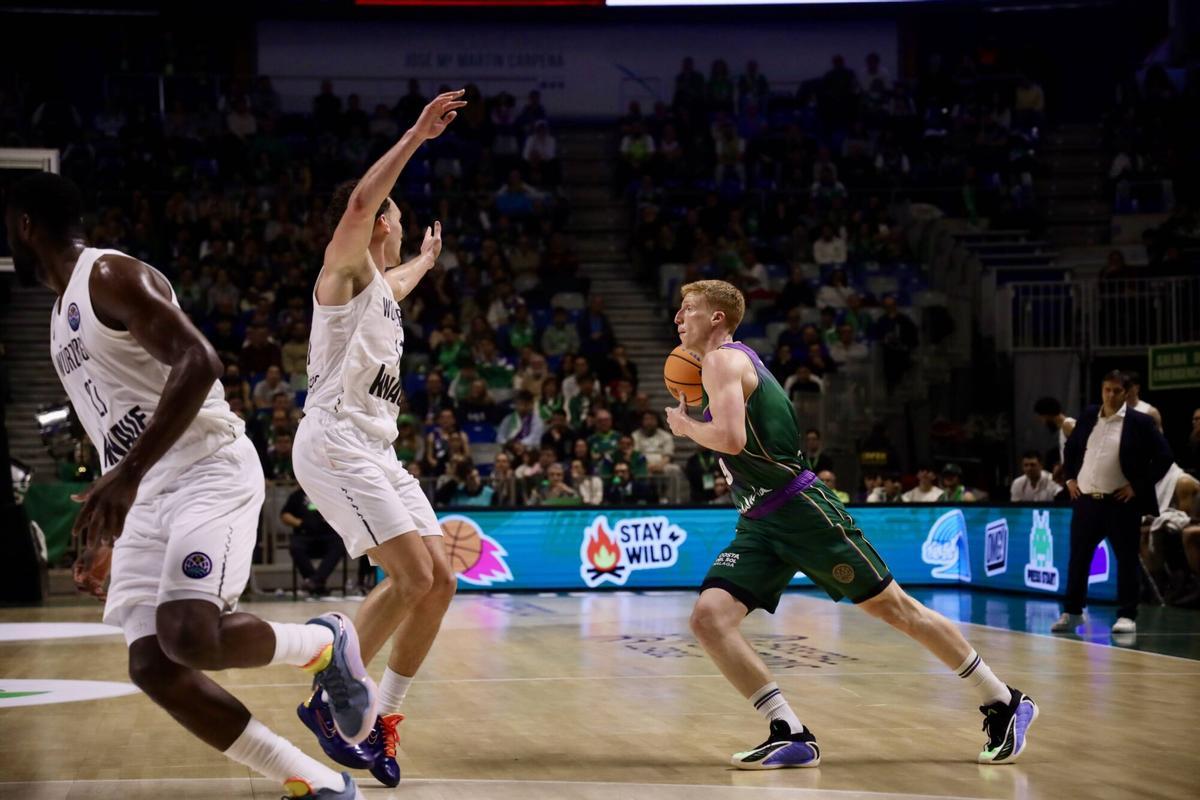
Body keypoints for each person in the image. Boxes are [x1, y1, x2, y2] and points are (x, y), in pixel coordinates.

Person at [6, 172, 374, 800]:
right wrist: (112, 523)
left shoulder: (108, 276)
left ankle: (323, 642)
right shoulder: (57, 319)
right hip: (148, 489)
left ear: (24, 223)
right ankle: (313, 781)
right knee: (152, 664)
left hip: (207, 470)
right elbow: (118, 428)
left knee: (190, 636)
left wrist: (127, 474)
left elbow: (200, 361)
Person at [664, 279, 1036, 769]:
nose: (677, 318)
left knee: (897, 611)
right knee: (709, 619)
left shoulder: (722, 360)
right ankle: (789, 731)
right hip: (759, 519)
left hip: (802, 511)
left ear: (717, 318)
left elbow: (730, 439)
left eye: (688, 309)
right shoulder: (723, 366)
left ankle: (1004, 701)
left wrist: (686, 424)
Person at [291, 89, 468, 788]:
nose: (396, 214)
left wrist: (426, 259)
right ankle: (332, 704)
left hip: (376, 449)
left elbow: (396, 282)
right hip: (335, 442)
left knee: (441, 581)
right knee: (411, 576)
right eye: (398, 209)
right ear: (380, 218)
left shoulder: (381, 292)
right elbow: (362, 206)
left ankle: (379, 719)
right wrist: (418, 136)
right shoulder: (342, 267)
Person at [1053, 371, 1173, 636]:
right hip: (1086, 501)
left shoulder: (1140, 422)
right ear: (1102, 389)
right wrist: (1070, 477)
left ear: (1127, 393)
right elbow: (1071, 448)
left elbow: (1164, 457)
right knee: (1078, 558)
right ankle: (1072, 612)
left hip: (1120, 504)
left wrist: (1138, 487)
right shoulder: (1088, 416)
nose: (1111, 395)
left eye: (1117, 391)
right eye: (1107, 389)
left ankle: (1127, 614)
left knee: (1127, 559)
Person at [283, 488, 347, 597]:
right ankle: (317, 583)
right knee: (295, 547)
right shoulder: (296, 495)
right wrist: (300, 523)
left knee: (339, 545)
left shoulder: (327, 492)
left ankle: (314, 582)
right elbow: (285, 515)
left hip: (327, 534)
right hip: (304, 534)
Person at [1033, 396, 1076, 481]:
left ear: (1047, 414)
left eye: (1042, 418)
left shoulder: (1068, 425)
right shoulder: (1063, 429)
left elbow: (1082, 452)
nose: (1042, 422)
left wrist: (1061, 467)